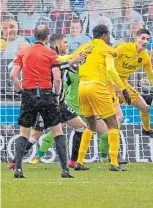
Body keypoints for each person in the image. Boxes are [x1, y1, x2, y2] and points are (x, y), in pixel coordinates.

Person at [6, 34, 87, 170]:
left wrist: (81, 63)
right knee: (36, 134)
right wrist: (73, 60)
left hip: (60, 104)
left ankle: (73, 162)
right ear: (56, 44)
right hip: (48, 101)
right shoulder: (50, 56)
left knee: (81, 127)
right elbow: (60, 65)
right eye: (64, 42)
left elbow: (69, 67)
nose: (67, 45)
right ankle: (15, 162)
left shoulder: (58, 57)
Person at [65, 25, 128, 171]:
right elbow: (111, 69)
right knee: (113, 123)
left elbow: (68, 58)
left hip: (82, 87)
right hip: (97, 87)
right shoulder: (106, 48)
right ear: (105, 35)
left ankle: (79, 162)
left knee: (91, 124)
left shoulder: (85, 46)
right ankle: (114, 163)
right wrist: (122, 88)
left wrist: (53, 59)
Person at [113, 28, 153, 141]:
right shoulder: (123, 48)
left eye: (148, 39)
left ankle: (146, 130)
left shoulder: (145, 57)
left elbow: (151, 77)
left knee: (145, 108)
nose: (145, 41)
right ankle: (112, 154)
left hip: (123, 84)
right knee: (117, 118)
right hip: (108, 82)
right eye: (143, 38)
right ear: (136, 38)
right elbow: (107, 62)